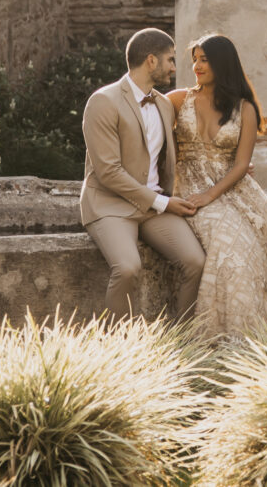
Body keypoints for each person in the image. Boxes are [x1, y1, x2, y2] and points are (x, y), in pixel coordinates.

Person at [166, 32, 267, 338]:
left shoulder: (245, 108)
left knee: (247, 247)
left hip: (229, 188)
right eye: (194, 60)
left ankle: (252, 339)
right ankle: (215, 337)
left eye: (204, 60)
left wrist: (210, 194)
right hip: (187, 185)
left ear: (222, 63)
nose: (197, 66)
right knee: (226, 248)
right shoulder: (177, 100)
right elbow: (152, 139)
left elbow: (241, 165)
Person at [79, 28, 206, 320]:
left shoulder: (163, 104)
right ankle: (119, 348)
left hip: (153, 207)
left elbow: (185, 149)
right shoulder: (103, 102)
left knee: (195, 261)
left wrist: (234, 164)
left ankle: (181, 341)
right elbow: (109, 172)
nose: (175, 68)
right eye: (170, 60)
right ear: (151, 61)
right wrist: (163, 203)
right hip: (110, 204)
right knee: (127, 267)